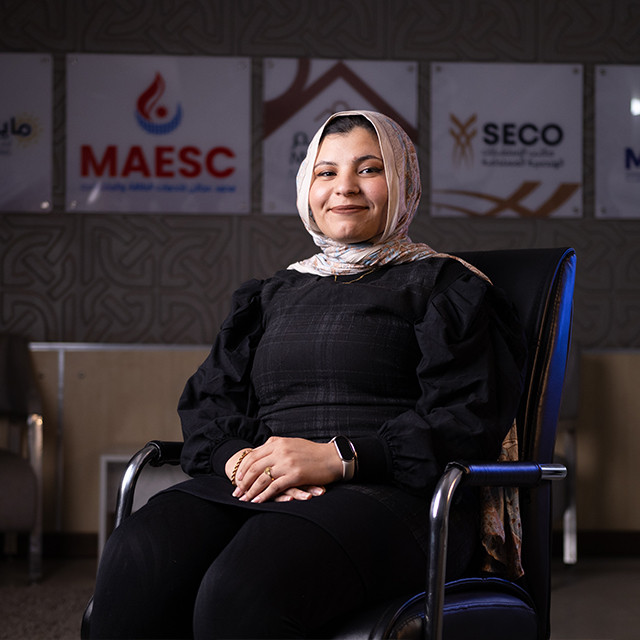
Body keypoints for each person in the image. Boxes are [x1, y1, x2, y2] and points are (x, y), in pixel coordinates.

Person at [89, 110, 527, 639]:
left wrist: (335, 458)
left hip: (395, 493)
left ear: (404, 182)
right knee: (139, 558)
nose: (345, 187)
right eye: (326, 172)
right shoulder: (272, 293)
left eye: (369, 169)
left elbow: (464, 420)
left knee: (242, 588)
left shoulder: (447, 287)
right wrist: (241, 461)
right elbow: (209, 404)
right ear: (307, 186)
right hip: (266, 485)